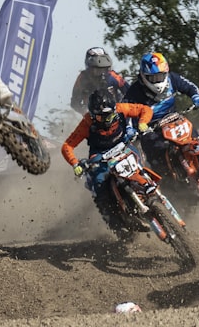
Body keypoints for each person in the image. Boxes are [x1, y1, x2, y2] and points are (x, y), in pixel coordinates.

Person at [61, 90, 154, 236]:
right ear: (92, 115)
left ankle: (152, 190)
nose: (106, 120)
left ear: (114, 110)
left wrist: (143, 122)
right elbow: (67, 146)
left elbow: (145, 109)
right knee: (98, 184)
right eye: (100, 116)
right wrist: (75, 164)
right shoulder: (87, 123)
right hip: (100, 157)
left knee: (140, 165)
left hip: (124, 146)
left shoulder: (121, 108)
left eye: (109, 115)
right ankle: (115, 224)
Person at [70, 47, 127, 114]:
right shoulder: (82, 79)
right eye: (98, 69)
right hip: (92, 115)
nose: (102, 73)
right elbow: (74, 102)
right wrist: (85, 113)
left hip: (116, 113)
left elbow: (130, 92)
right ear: (90, 68)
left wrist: (122, 108)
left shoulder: (113, 76)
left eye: (105, 69)